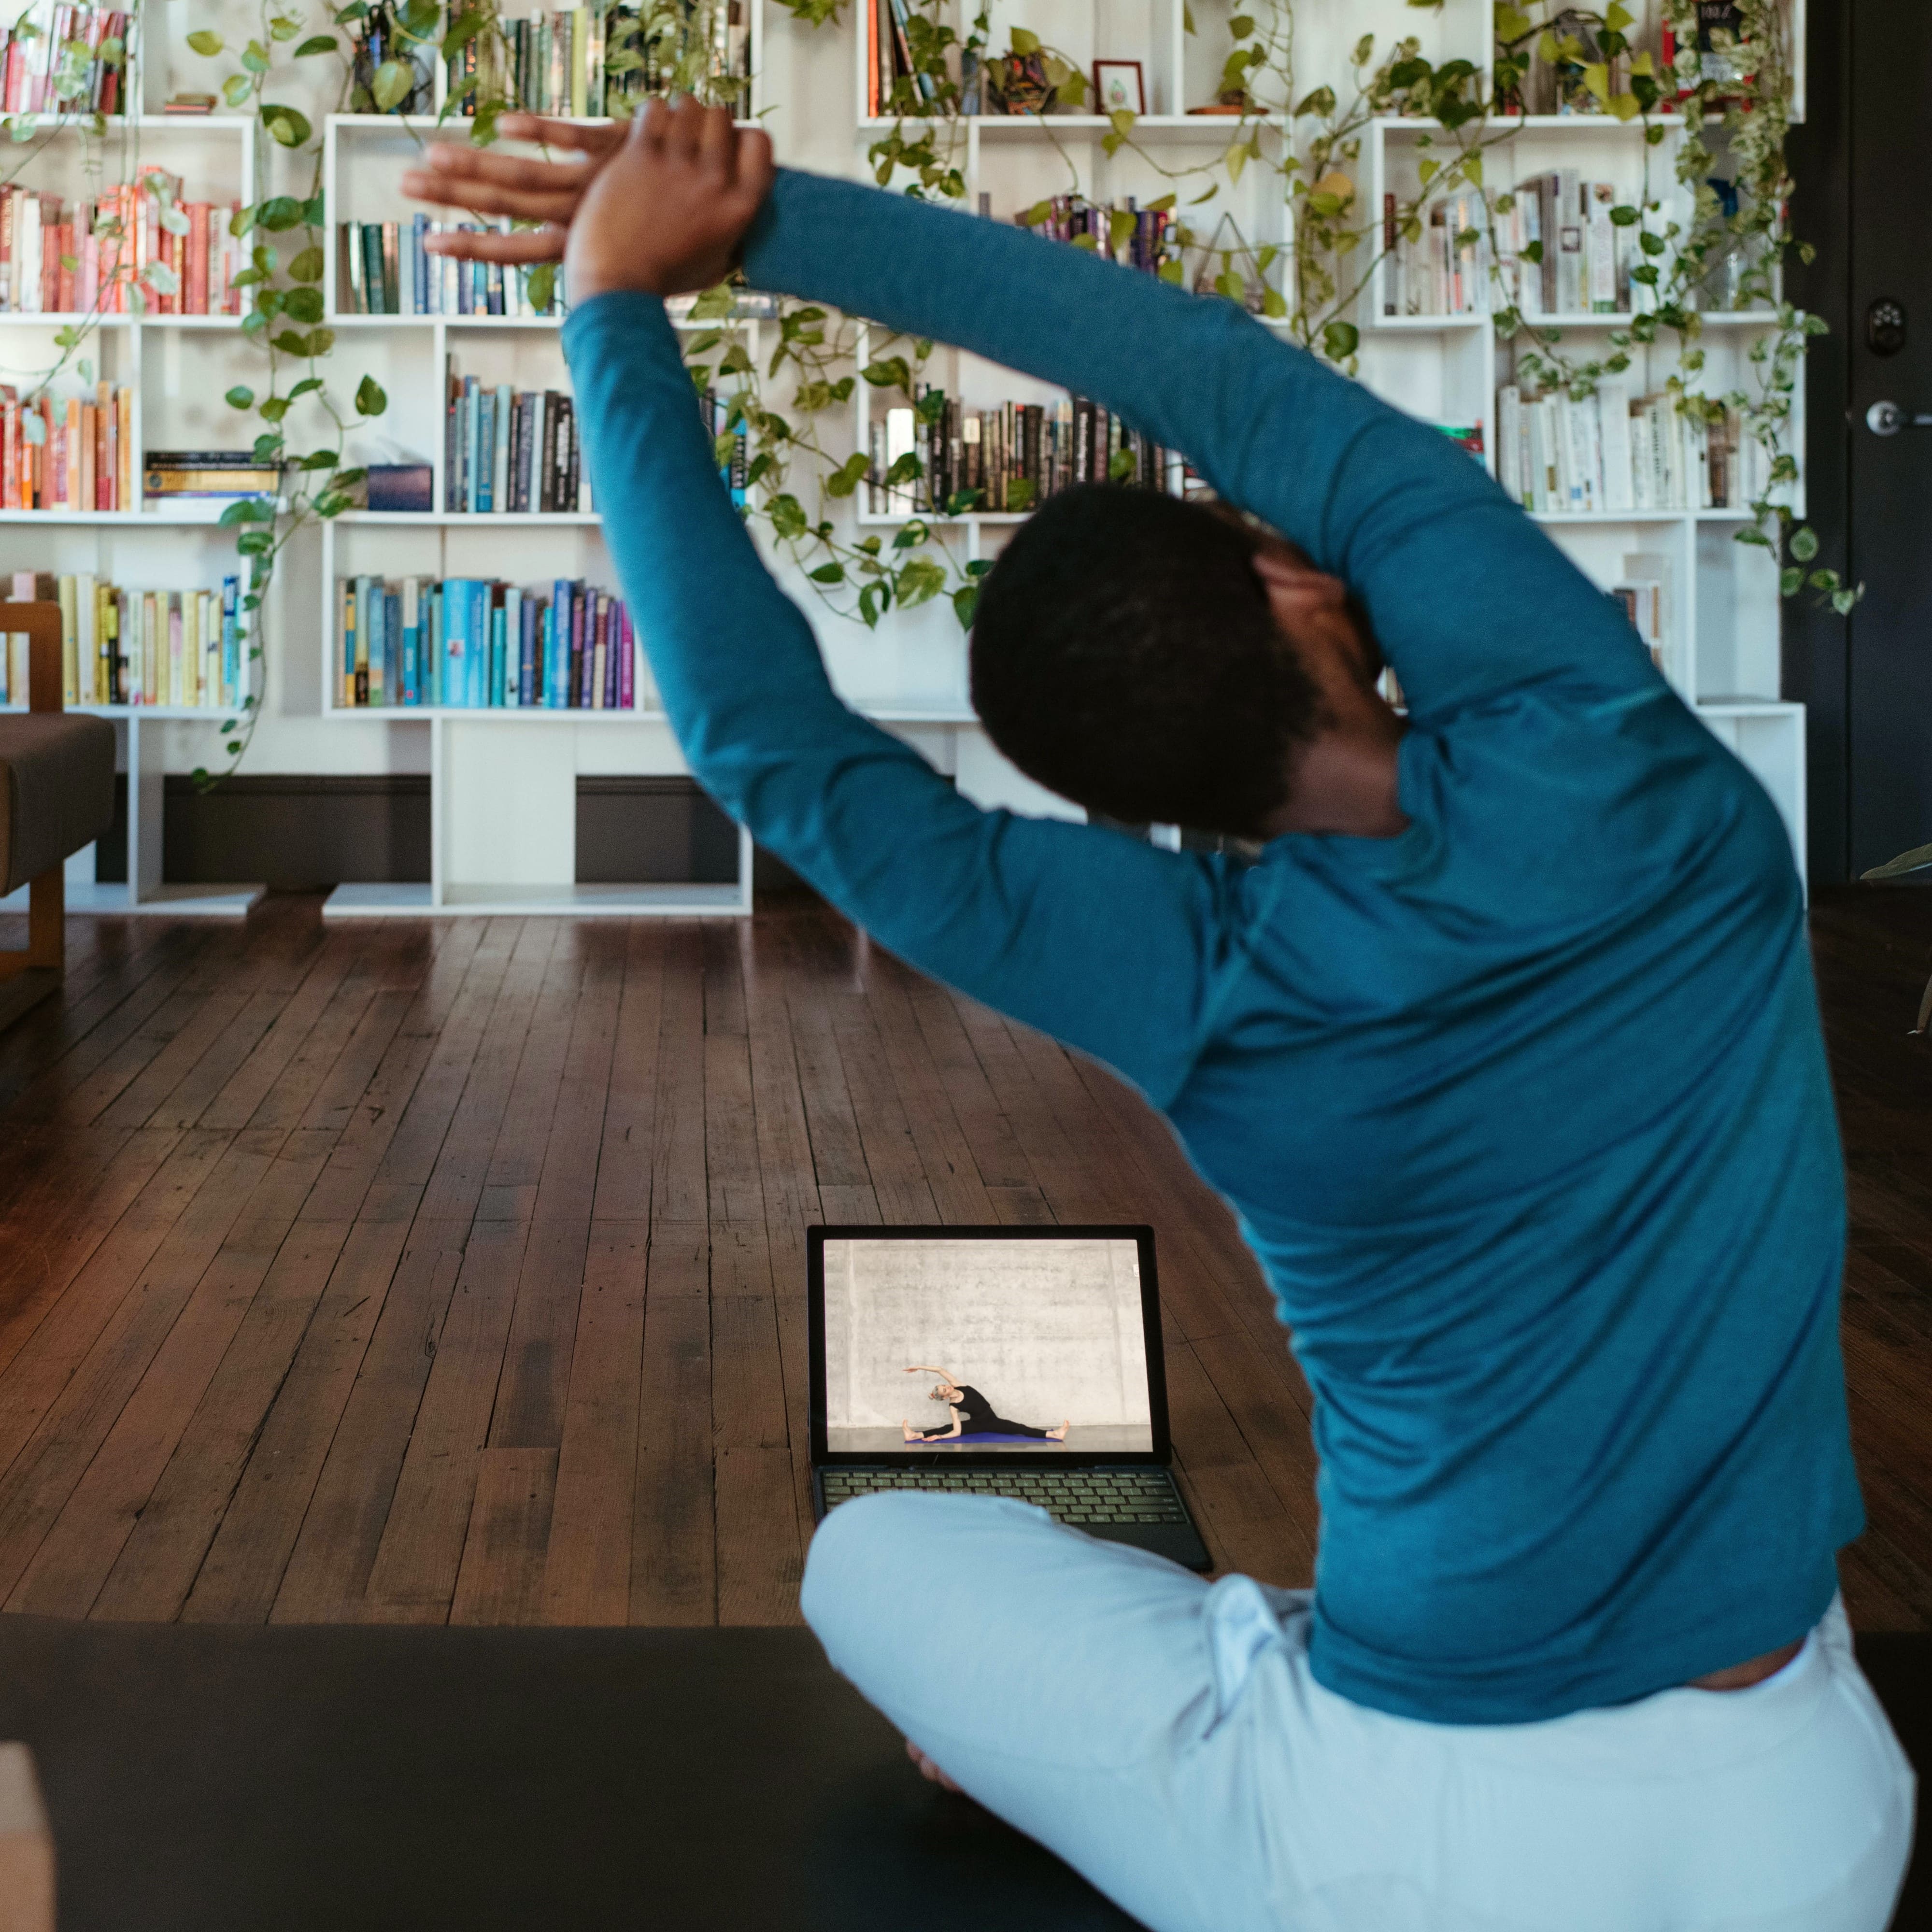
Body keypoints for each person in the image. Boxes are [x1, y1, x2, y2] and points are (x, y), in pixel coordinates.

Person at [403, 102, 1914, 1932]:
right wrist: (732, 228)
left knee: (877, 1552)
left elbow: (768, 752)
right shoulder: (1623, 767)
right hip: (1809, 1823)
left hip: (1409, 1845)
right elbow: (1217, 376)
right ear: (1289, 579)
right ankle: (1221, 1660)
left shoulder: (1205, 978)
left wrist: (605, 315)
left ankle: (1168, 1693)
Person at [900, 1365, 1070, 1442]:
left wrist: (919, 1368)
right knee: (946, 1428)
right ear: (945, 1397)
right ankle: (914, 1436)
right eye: (944, 1389)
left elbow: (940, 1370)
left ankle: (1055, 1435)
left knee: (1019, 1428)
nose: (946, 1386)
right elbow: (957, 1431)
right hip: (982, 1424)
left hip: (991, 1420)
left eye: (944, 1385)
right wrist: (941, 1437)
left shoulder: (959, 1385)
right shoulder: (953, 1406)